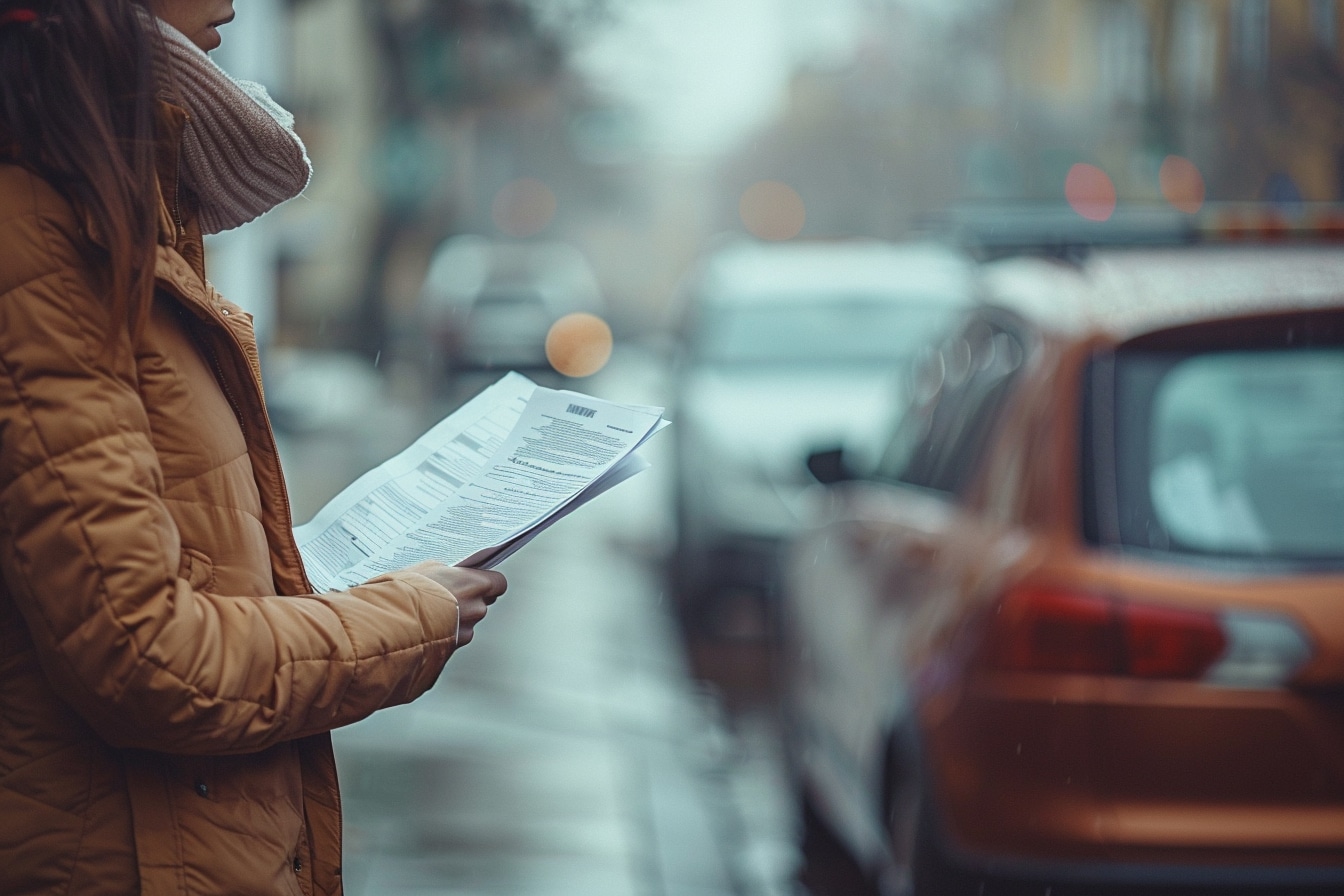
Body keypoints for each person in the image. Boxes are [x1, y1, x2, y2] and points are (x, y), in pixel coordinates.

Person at [0, 1, 508, 893]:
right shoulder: (39, 242)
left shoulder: (109, 216)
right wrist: (412, 616)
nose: (232, 4)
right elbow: (147, 658)